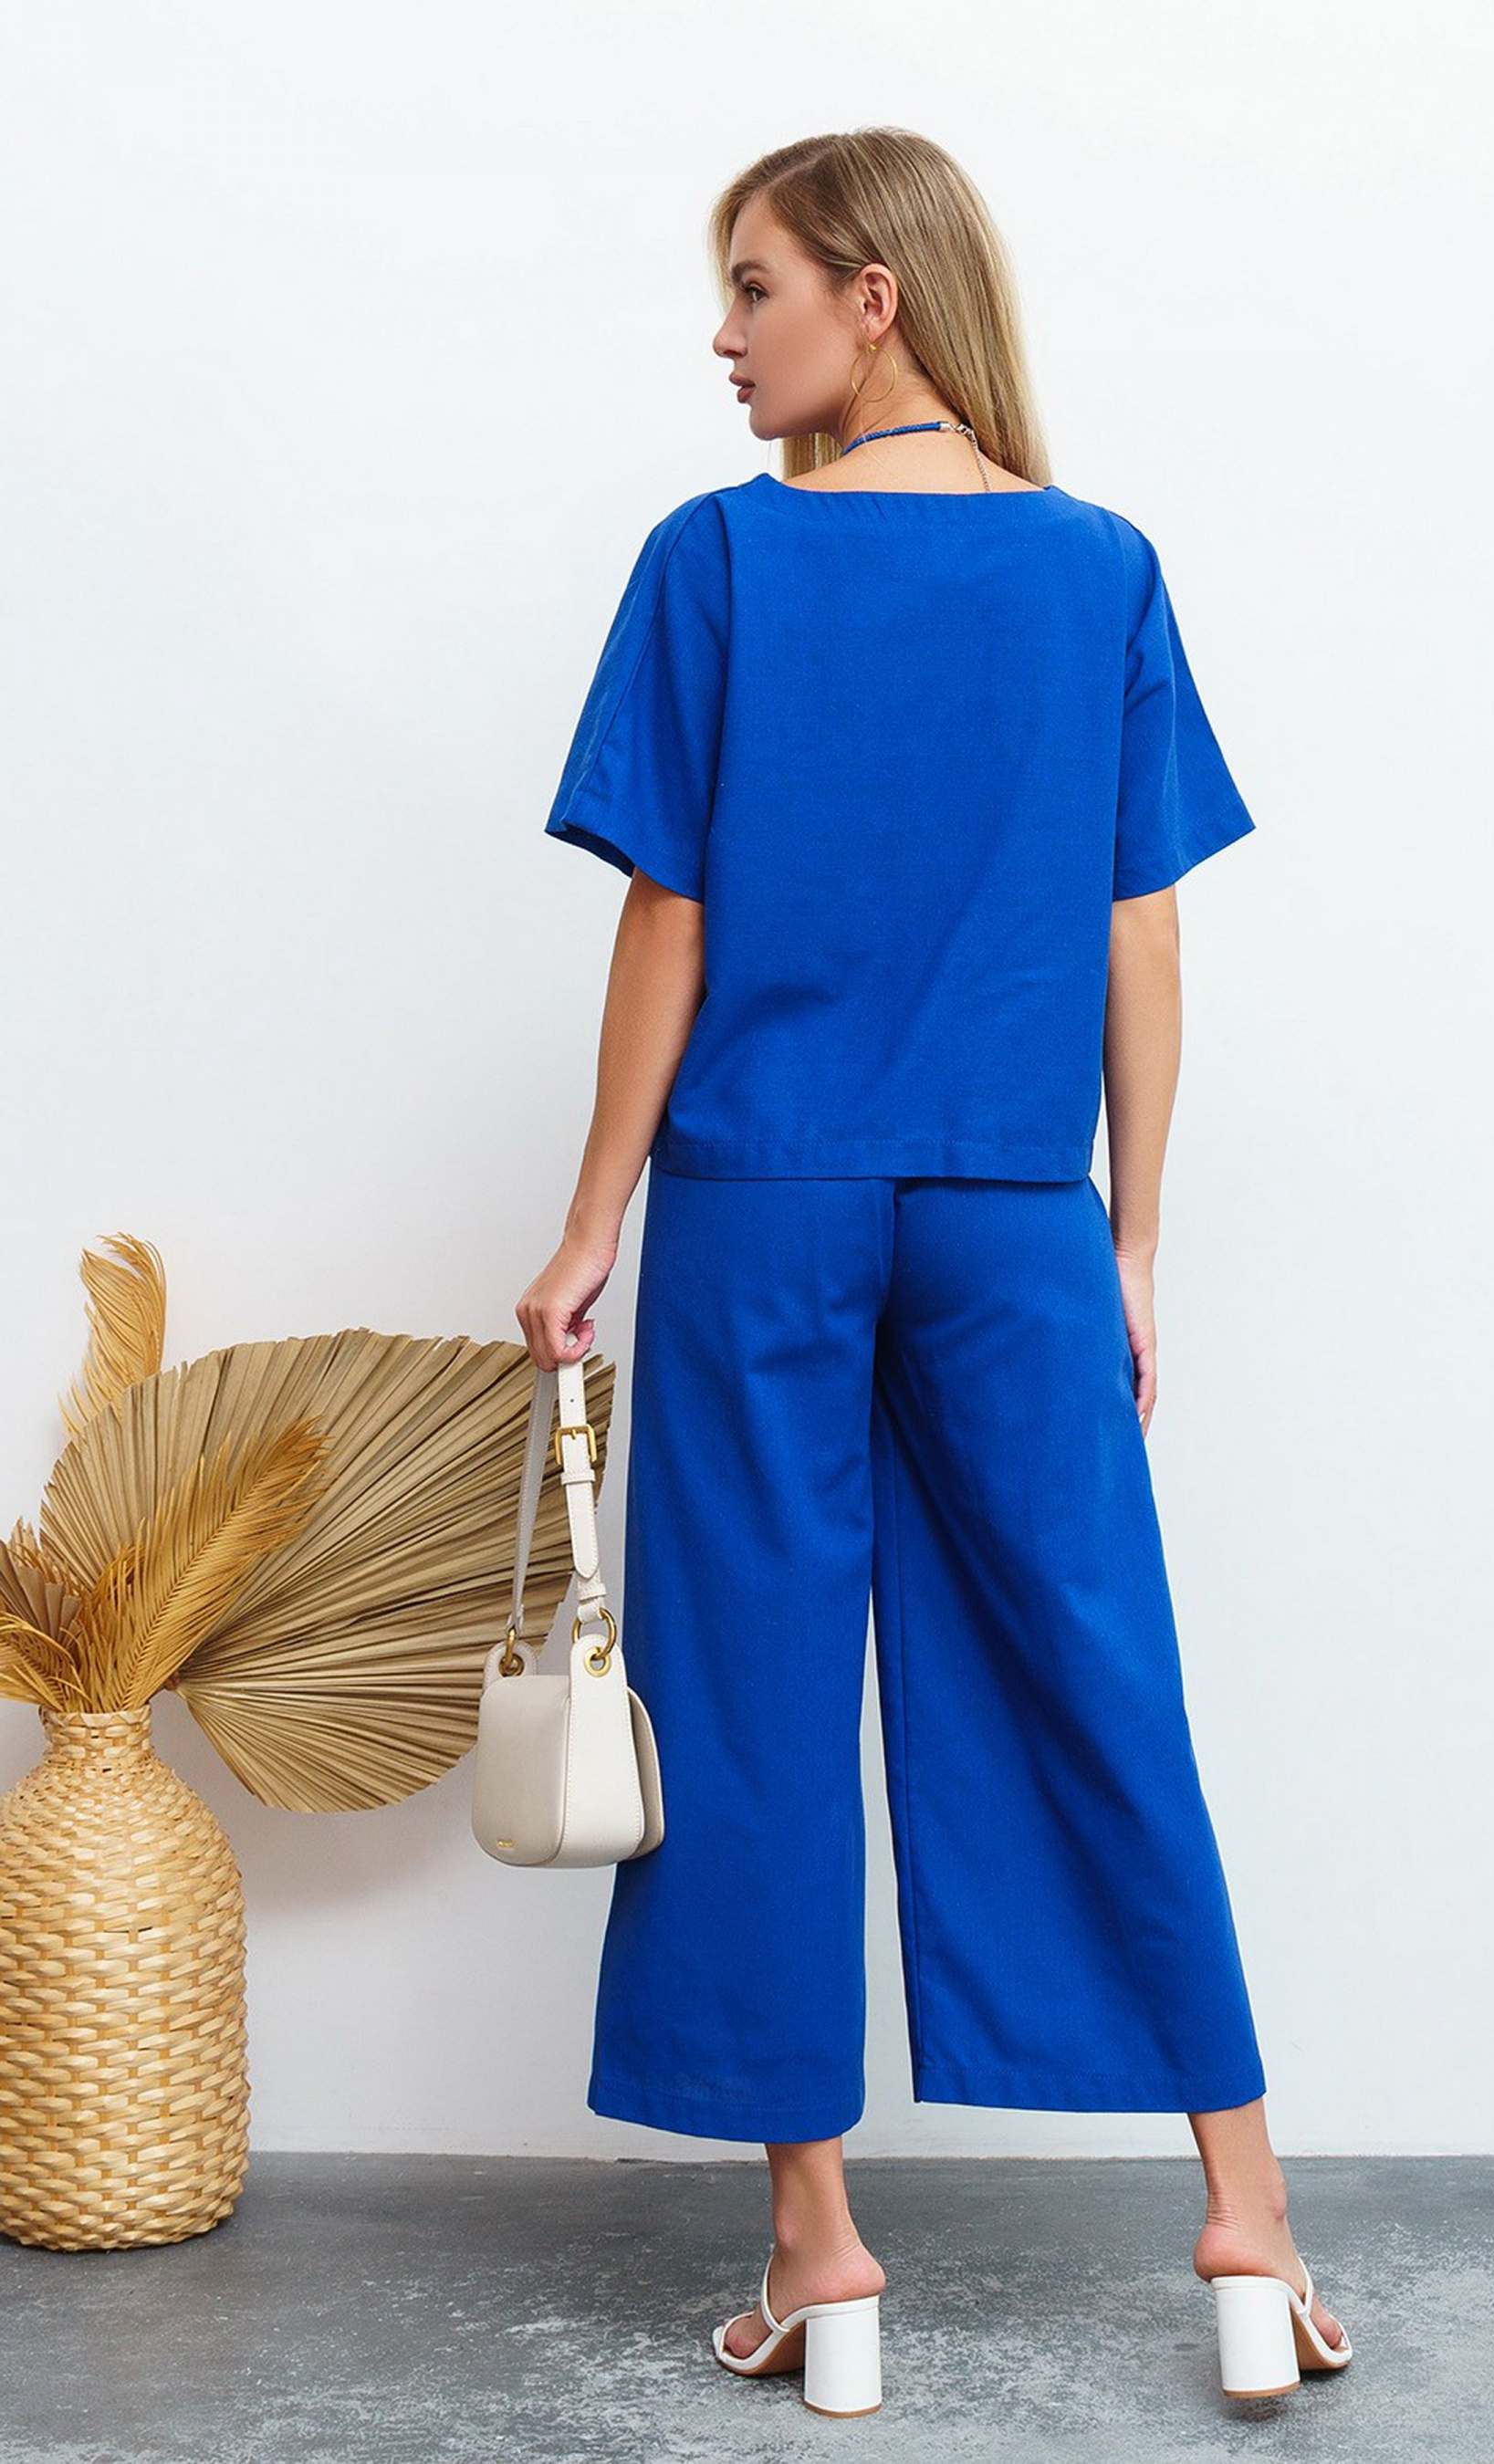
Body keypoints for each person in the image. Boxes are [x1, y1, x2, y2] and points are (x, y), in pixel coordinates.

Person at [517, 126, 1350, 2413]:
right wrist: (1129, 1236)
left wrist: (591, 1219)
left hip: (761, 1196)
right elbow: (1137, 933)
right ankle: (1247, 2222)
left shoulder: (718, 560)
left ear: (870, 298)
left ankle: (824, 2256)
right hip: (1009, 1207)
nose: (723, 335)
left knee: (751, 1695)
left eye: (754, 287)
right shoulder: (1098, 571)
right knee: (1094, 1669)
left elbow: (669, 916)